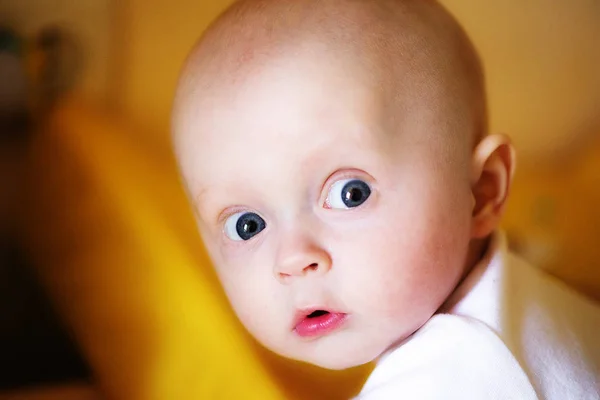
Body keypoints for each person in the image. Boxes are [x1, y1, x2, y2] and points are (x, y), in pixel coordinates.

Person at [171, 0, 600, 398]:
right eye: (247, 225)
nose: (293, 259)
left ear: (481, 191)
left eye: (349, 193)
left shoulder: (445, 377)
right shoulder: (538, 309)